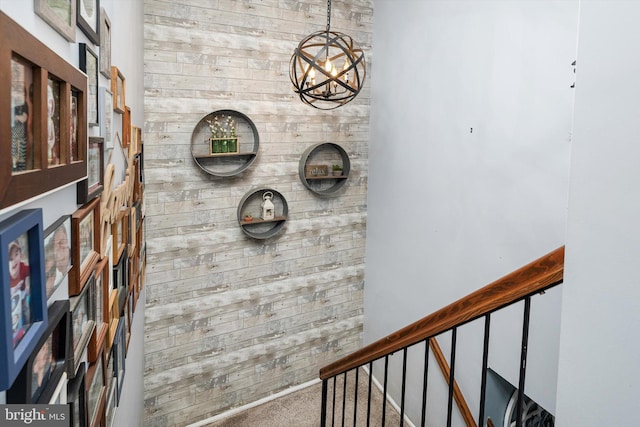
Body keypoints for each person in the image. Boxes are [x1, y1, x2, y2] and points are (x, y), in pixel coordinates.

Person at [9, 239, 30, 347]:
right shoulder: (7, 276)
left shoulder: (22, 267)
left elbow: (32, 270)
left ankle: (27, 326)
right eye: (10, 259)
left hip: (22, 295)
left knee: (25, 310)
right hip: (12, 302)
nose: (14, 261)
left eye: (16, 255)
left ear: (20, 255)